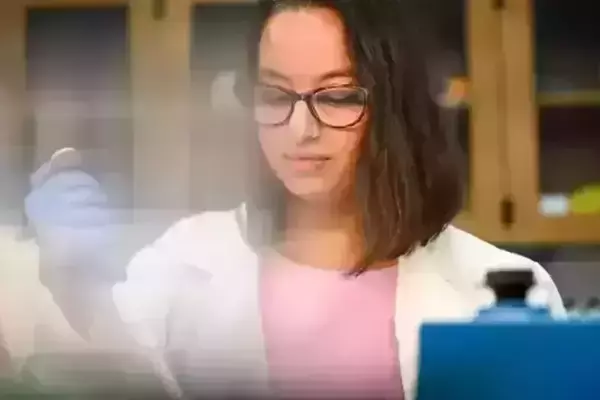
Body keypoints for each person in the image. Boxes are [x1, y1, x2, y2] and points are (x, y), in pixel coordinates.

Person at [27, 1, 565, 399]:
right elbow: (107, 365)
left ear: (396, 109)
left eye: (336, 96)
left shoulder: (500, 286)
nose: (300, 129)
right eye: (275, 96)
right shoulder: (189, 259)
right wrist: (70, 271)